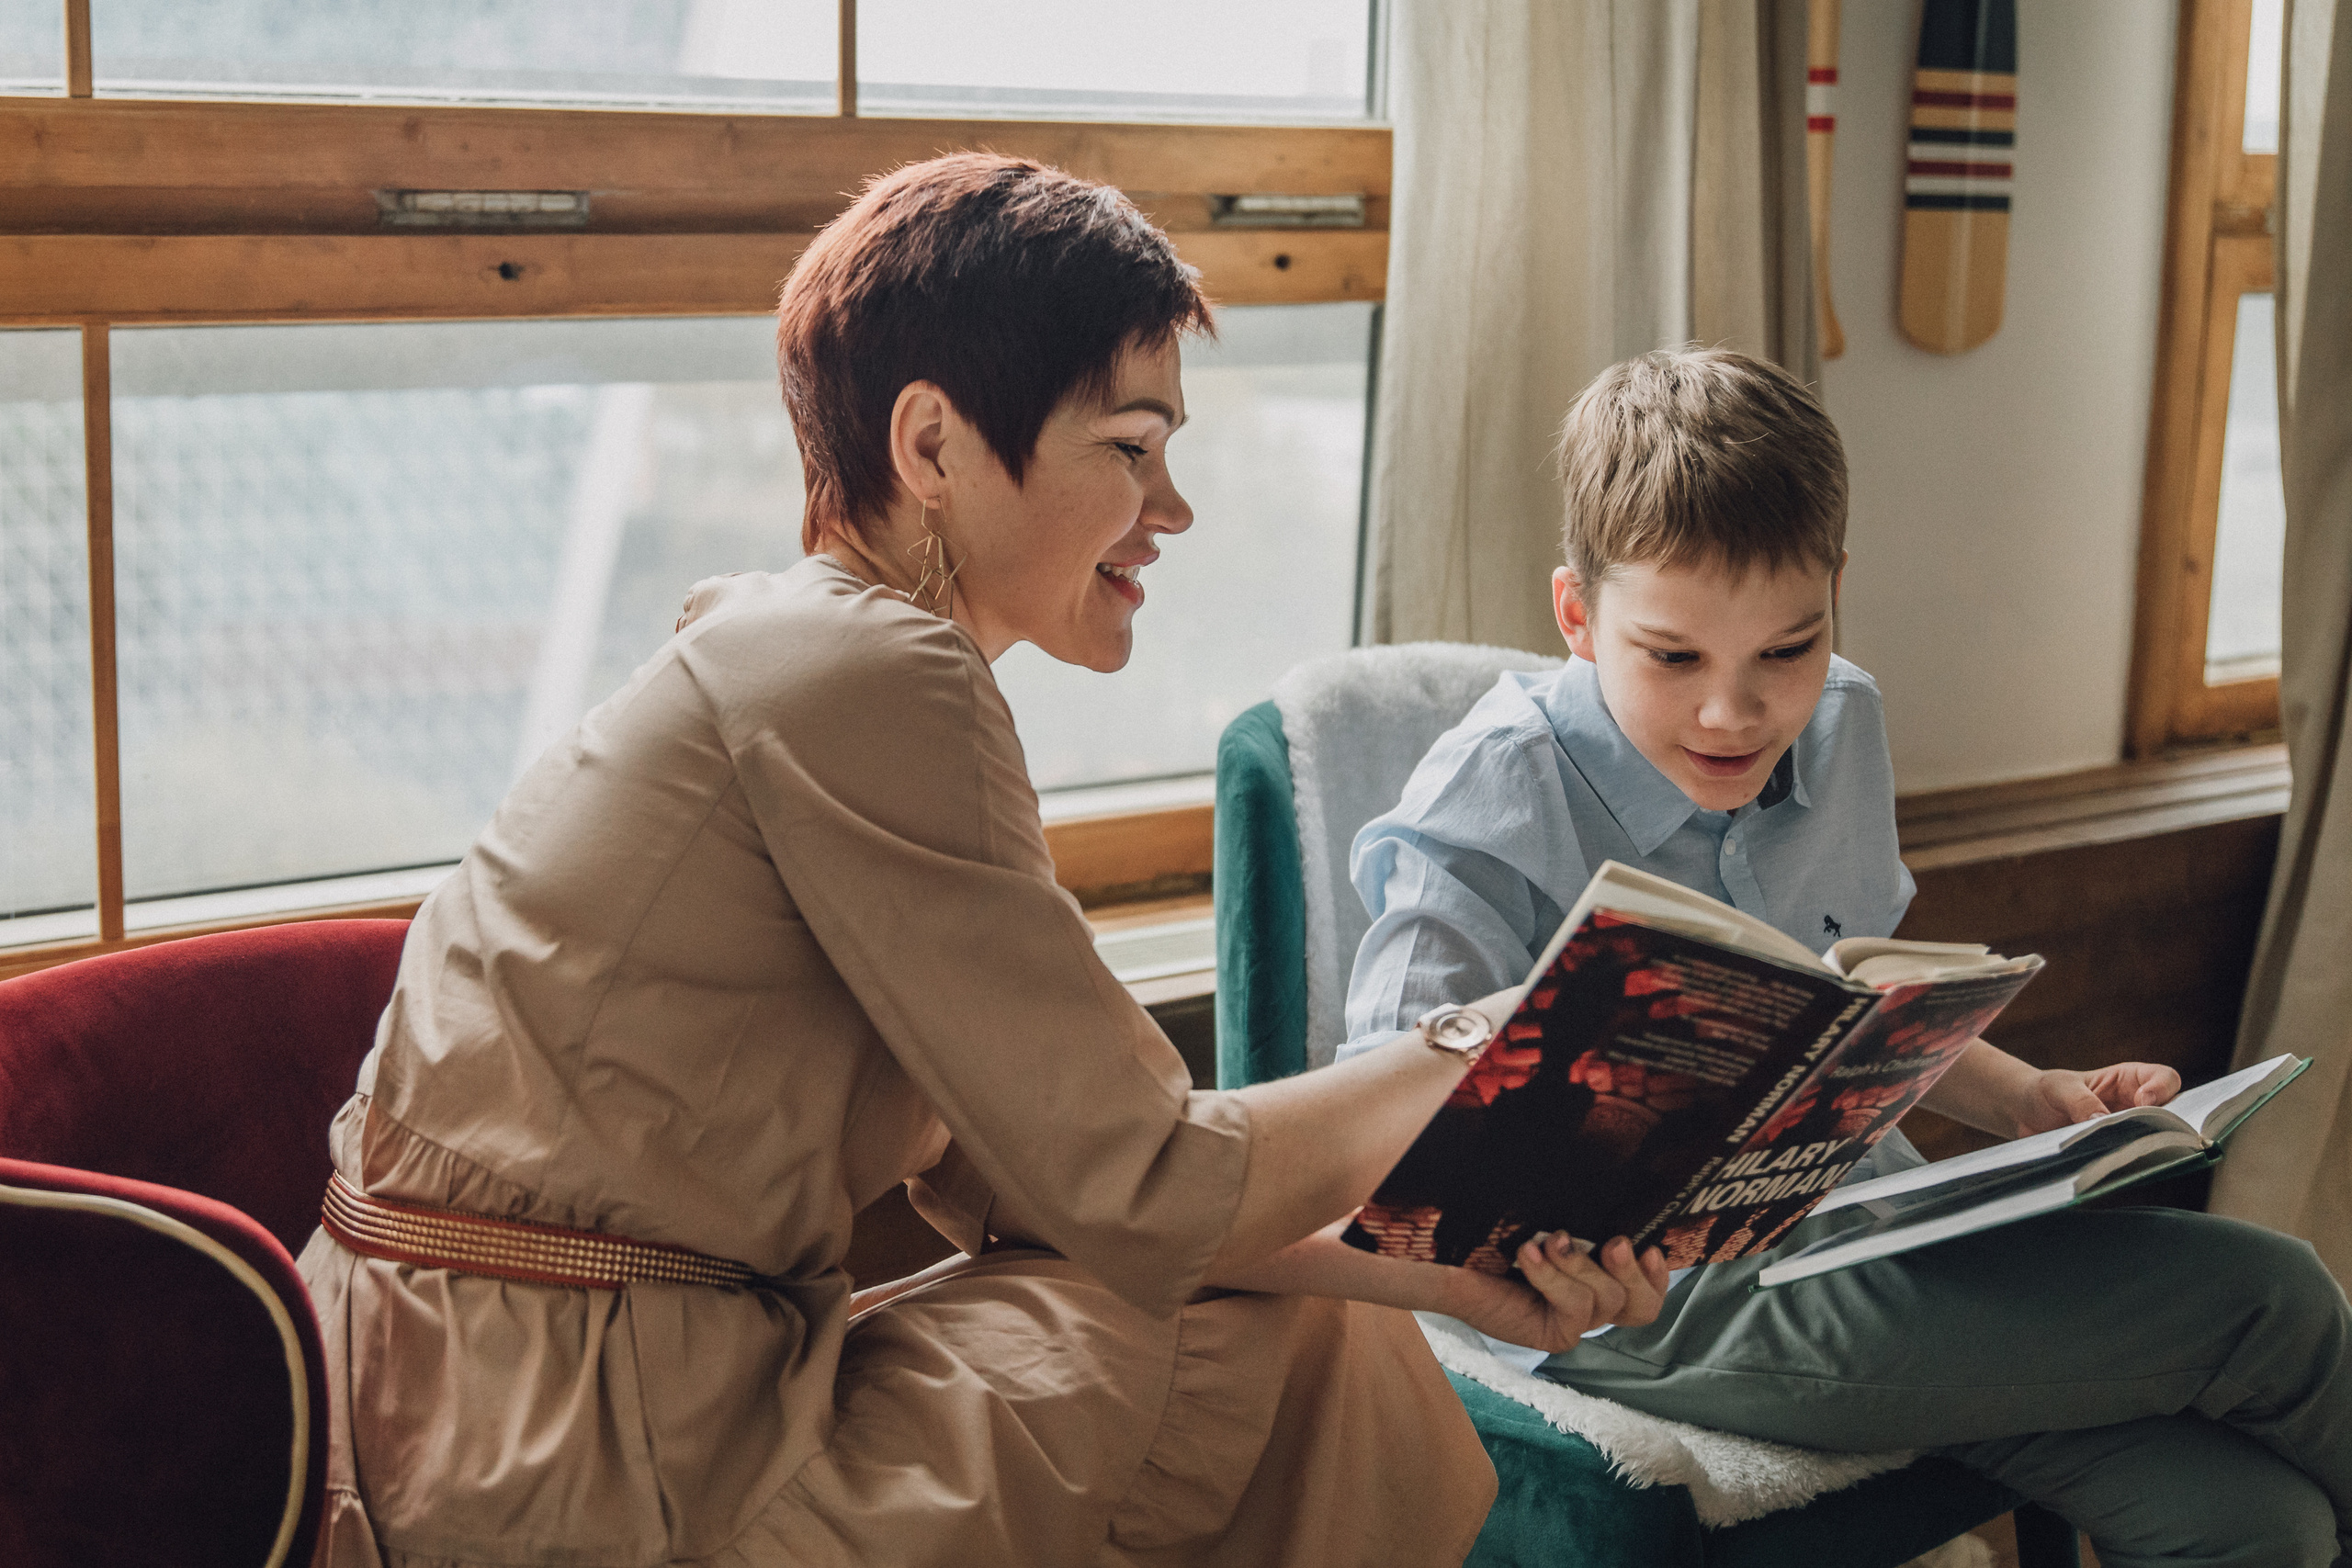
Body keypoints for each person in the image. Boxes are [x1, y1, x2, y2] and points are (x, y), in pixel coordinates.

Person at [297, 152, 1679, 1568]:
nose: (1174, 508)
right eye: (1131, 448)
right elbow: (1143, 1186)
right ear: (933, 447)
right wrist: (1480, 1043)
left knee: (1303, 1324)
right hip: (576, 1454)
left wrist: (1431, 1274)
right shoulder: (872, 675)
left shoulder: (802, 648)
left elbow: (1038, 1185)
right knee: (1281, 1353)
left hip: (498, 1400)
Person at [1342, 347, 2352, 1568]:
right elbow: (1381, 1144)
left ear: (1835, 597)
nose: (1737, 712)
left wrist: (2030, 1098)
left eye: (1788, 648)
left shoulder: (1844, 720)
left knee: (2255, 1528)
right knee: (2271, 1294)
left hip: (1866, 1220)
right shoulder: (1493, 795)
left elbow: (1859, 1005)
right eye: (1673, 657)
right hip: (1633, 1297)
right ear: (1576, 615)